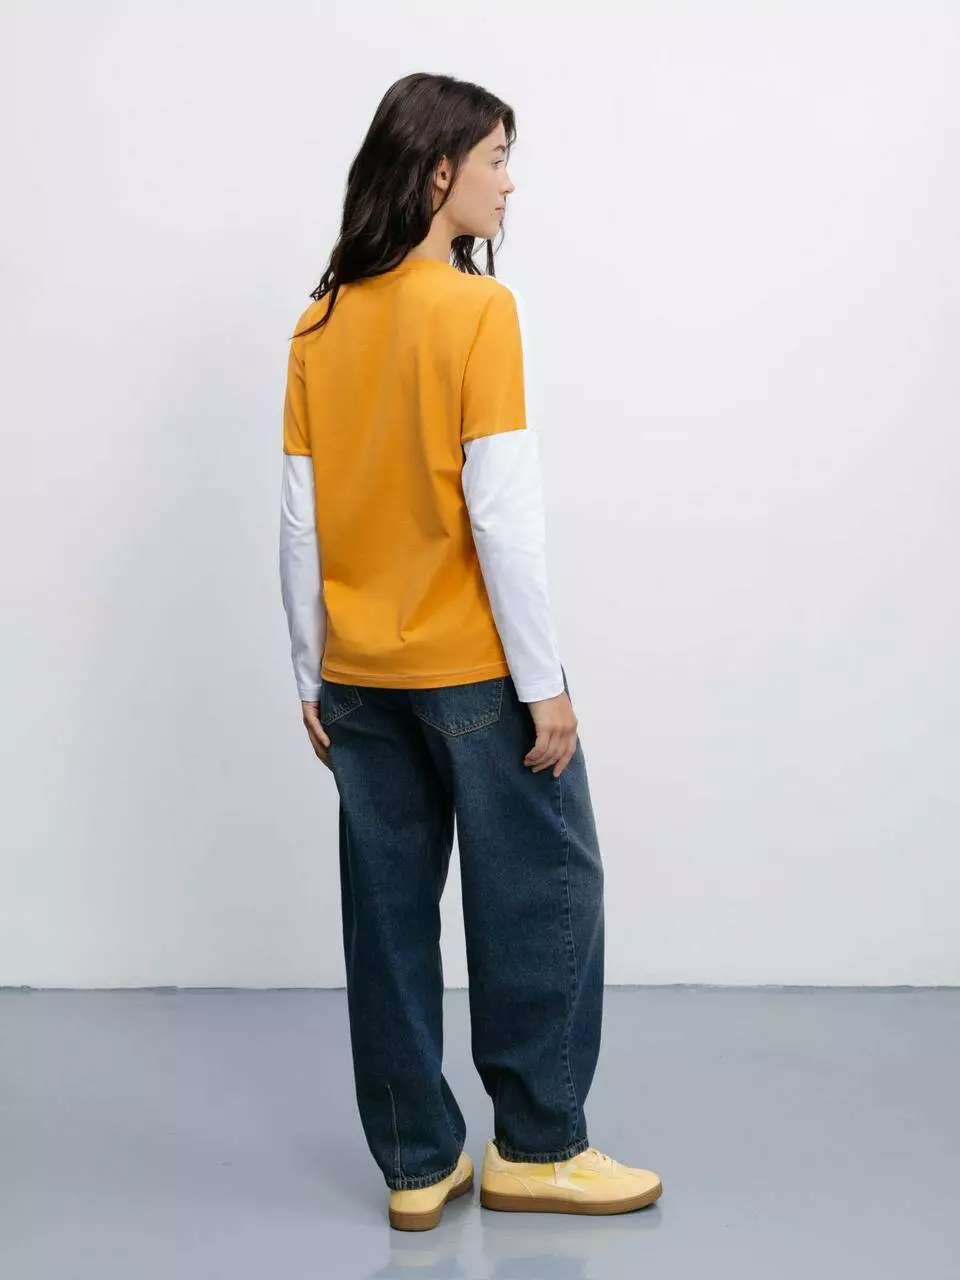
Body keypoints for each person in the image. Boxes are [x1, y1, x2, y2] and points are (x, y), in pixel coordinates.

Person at [278, 72, 662, 1232]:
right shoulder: (477, 312)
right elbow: (501, 514)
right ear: (438, 168)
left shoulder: (319, 322)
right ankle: (539, 1146)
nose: (508, 182)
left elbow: (299, 515)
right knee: (543, 887)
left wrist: (309, 670)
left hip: (357, 676)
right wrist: (545, 685)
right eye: (495, 158)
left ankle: (414, 1161)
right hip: (475, 674)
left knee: (387, 915)